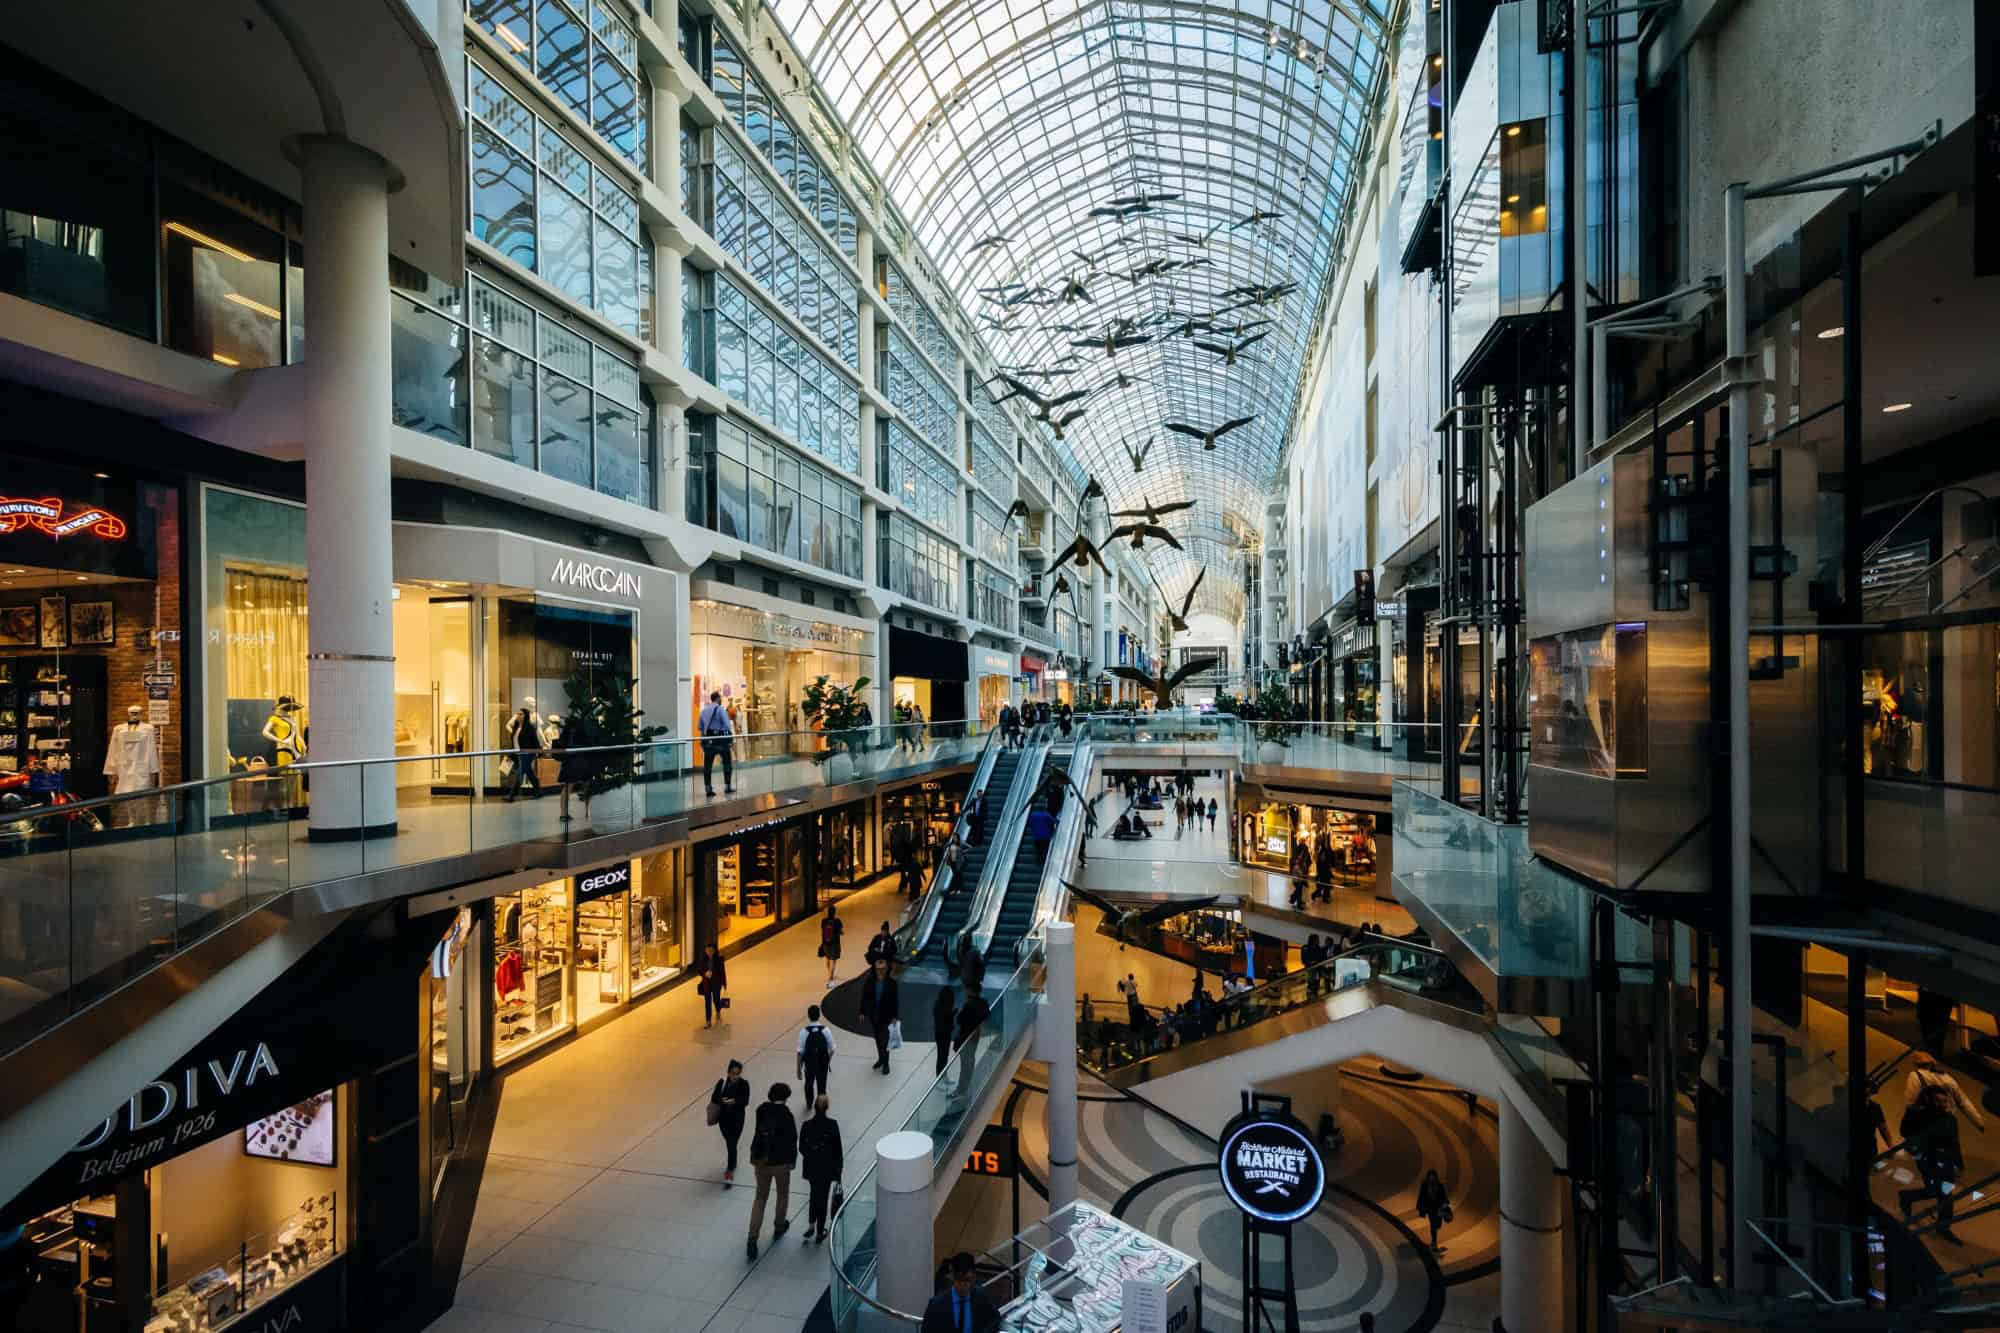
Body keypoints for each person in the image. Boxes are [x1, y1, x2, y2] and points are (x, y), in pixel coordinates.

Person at [1899, 1051, 1986, 1241]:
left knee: (1945, 1192)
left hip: (1940, 1157)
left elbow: (1952, 1139)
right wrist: (1977, 1121)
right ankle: (1911, 1199)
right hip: (1929, 1156)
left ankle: (1943, 1225)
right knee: (1939, 1191)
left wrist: (1956, 1160)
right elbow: (1962, 1100)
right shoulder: (1943, 1082)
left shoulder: (1944, 1115)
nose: (1944, 1105)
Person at [746, 1083, 798, 1258]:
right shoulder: (787, 1115)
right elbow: (792, 1139)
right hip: (781, 1163)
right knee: (782, 1194)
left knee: (760, 1198)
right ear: (786, 1097)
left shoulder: (761, 1110)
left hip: (761, 1161)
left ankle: (752, 1239)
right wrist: (792, 1161)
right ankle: (779, 1226)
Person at [799, 1094, 844, 1243]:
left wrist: (812, 1156)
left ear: (814, 1107)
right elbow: (837, 1150)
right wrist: (838, 1170)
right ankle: (820, 1230)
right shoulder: (832, 1125)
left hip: (812, 1168)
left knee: (813, 1195)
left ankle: (811, 1225)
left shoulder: (806, 1125)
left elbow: (802, 1148)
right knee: (823, 1198)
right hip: (826, 1169)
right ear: (827, 1107)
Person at [922, 1252, 1000, 1333]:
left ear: (974, 1277)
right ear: (952, 1276)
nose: (963, 1285)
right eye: (959, 1279)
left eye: (967, 1280)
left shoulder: (981, 1297)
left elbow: (995, 1318)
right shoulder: (936, 1304)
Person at [711, 1058, 751, 1187]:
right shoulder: (722, 1083)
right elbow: (714, 1098)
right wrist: (723, 1100)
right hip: (724, 1120)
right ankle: (732, 1164)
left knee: (732, 1142)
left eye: (738, 1073)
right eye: (733, 1073)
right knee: (730, 1142)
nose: (735, 1076)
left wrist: (735, 1101)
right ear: (728, 1072)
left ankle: (730, 1169)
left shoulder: (744, 1084)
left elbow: (745, 1101)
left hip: (737, 1119)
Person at [860, 956, 900, 1073]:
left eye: (883, 969)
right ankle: (881, 1059)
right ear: (875, 969)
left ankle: (886, 1063)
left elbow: (894, 1001)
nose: (881, 971)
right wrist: (862, 1012)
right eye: (879, 969)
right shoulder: (870, 981)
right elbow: (865, 997)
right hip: (874, 1015)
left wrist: (894, 1016)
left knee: (885, 1041)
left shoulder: (892, 983)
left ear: (887, 969)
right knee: (878, 1039)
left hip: (886, 1016)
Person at [953, 980, 992, 1099]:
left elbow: (959, 1020)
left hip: (966, 1038)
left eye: (967, 989)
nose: (966, 991)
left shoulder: (969, 1005)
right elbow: (986, 1016)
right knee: (969, 1064)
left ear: (971, 991)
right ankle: (965, 1088)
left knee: (966, 1065)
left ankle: (962, 1090)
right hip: (974, 1037)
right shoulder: (983, 1003)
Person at [797, 1004, 837, 1105]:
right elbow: (832, 1049)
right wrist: (827, 1060)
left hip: (809, 1064)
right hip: (822, 1063)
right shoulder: (826, 1030)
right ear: (819, 1015)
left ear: (808, 1016)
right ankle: (821, 1105)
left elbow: (800, 1052)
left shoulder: (804, 1032)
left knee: (809, 1084)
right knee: (822, 1085)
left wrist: (798, 1069)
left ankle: (809, 1102)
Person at [699, 690, 736, 797]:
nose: (721, 700)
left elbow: (700, 727)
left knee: (707, 765)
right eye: (720, 698)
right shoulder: (720, 709)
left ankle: (708, 788)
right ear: (718, 698)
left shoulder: (704, 710)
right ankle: (727, 786)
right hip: (721, 741)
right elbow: (727, 725)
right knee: (727, 763)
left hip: (709, 740)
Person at [502, 705, 543, 800]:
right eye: (518, 714)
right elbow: (515, 741)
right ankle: (539, 791)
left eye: (521, 714)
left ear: (526, 716)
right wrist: (511, 753)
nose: (518, 715)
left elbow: (535, 741)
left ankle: (511, 795)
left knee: (519, 773)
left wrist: (539, 752)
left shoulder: (530, 727)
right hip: (518, 753)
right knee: (529, 772)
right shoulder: (516, 727)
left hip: (527, 753)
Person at [1417, 1167, 1452, 1251]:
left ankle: (1434, 1242)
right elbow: (1421, 1196)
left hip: (1438, 1208)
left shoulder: (1440, 1185)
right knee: (1433, 1225)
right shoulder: (1425, 1185)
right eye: (1430, 1177)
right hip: (1430, 1209)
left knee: (1437, 1225)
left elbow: (1444, 1196)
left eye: (1433, 1177)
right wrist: (1421, 1208)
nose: (1432, 1179)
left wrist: (1446, 1203)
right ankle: (1434, 1242)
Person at [698, 944, 728, 1028]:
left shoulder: (719, 959)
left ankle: (718, 1010)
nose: (709, 952)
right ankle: (708, 1021)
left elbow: (722, 972)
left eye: (711, 950)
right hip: (707, 984)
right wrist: (705, 973)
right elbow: (699, 970)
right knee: (707, 1001)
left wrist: (724, 983)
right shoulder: (703, 960)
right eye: (707, 950)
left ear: (714, 951)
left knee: (716, 999)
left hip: (716, 983)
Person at [932, 982, 959, 1076]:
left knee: (944, 1055)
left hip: (944, 1034)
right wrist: (953, 1013)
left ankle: (943, 1075)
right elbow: (945, 1016)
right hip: (942, 1035)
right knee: (941, 1056)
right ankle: (940, 1076)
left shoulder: (941, 1005)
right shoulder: (940, 1006)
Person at [819, 902, 844, 986]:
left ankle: (829, 974)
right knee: (833, 961)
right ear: (834, 912)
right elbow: (841, 932)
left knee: (827, 959)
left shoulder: (823, 921)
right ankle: (830, 979)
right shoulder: (837, 921)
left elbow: (822, 931)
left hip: (826, 943)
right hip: (835, 944)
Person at [1288, 841, 1311, 911]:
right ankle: (1296, 901)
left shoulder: (1299, 861)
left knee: (1299, 891)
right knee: (1298, 891)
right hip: (1297, 880)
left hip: (1298, 880)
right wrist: (1304, 874)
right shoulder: (1297, 865)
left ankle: (1296, 900)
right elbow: (1300, 873)